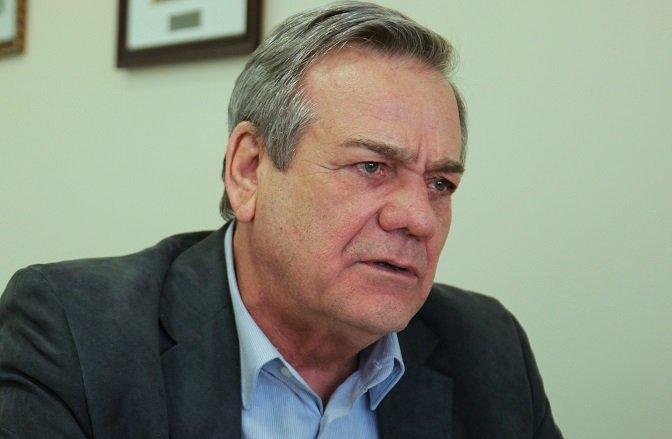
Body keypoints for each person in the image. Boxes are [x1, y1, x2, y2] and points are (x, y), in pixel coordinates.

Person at [0, 2, 562, 438]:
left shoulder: (488, 347)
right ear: (248, 170)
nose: (419, 218)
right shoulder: (74, 332)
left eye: (440, 183)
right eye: (371, 166)